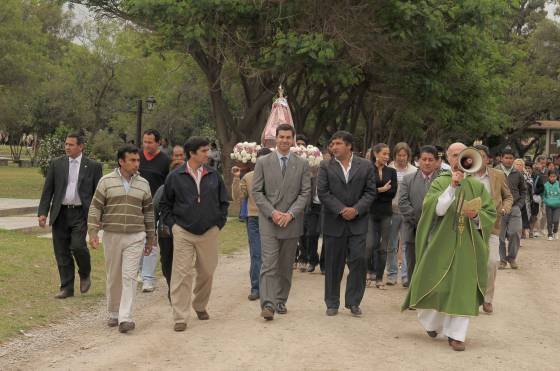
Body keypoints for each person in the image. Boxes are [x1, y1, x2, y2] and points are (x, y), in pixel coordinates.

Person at [402, 142, 496, 352]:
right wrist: (452, 187)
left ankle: (457, 336)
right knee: (435, 282)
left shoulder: (478, 186)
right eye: (454, 155)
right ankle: (432, 324)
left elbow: (490, 214)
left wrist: (477, 216)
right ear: (447, 158)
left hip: (468, 245)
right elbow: (437, 209)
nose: (458, 159)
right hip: (441, 241)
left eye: (462, 155)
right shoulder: (440, 182)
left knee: (462, 288)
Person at [160, 137, 229, 332]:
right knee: (181, 274)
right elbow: (165, 204)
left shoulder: (214, 175)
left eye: (208, 150)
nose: (208, 154)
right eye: (204, 151)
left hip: (209, 232)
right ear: (192, 153)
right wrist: (173, 225)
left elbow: (224, 202)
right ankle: (180, 317)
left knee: (207, 271)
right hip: (182, 231)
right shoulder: (175, 176)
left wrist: (218, 224)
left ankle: (199, 305)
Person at [88, 145, 155, 333]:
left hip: (136, 236)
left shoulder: (143, 183)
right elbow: (95, 208)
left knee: (129, 276)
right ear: (121, 162)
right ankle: (113, 312)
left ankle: (126, 317)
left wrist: (151, 238)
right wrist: (93, 232)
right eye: (132, 160)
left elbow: (149, 212)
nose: (136, 164)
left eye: (138, 160)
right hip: (112, 235)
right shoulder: (106, 182)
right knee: (114, 275)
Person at [251, 123, 311, 321]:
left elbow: (305, 192)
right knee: (269, 263)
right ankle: (267, 304)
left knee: (285, 265)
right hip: (269, 220)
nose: (284, 141)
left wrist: (291, 214)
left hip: (291, 221)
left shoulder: (302, 164)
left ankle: (280, 300)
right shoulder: (263, 162)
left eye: (288, 137)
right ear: (275, 139)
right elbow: (257, 191)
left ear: (293, 140)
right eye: (281, 137)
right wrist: (273, 212)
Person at [317, 131, 376, 316]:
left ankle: (353, 302)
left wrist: (356, 209)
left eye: (338, 143)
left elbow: (370, 192)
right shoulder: (325, 166)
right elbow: (323, 192)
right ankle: (332, 303)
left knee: (359, 260)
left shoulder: (366, 166)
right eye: (332, 143)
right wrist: (342, 210)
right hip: (334, 222)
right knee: (334, 263)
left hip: (358, 222)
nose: (334, 147)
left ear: (349, 146)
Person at [38, 133, 103, 299]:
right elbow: (48, 190)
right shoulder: (56, 164)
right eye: (66, 144)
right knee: (61, 252)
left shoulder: (94, 166)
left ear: (81, 146)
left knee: (78, 246)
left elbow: (99, 194)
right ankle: (67, 288)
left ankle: (85, 273)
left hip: (81, 213)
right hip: (60, 212)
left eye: (71, 144)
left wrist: (99, 217)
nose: (67, 147)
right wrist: (43, 213)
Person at [473, 145, 513, 314]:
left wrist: (504, 209)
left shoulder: (498, 175)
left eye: (483, 156)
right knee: (471, 263)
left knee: (491, 262)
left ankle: (487, 299)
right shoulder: (465, 175)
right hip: (469, 226)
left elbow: (508, 196)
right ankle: (471, 297)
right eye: (477, 156)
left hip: (492, 226)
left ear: (488, 159)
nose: (480, 159)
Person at [232, 147, 272, 301]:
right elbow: (238, 197)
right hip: (254, 219)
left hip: (272, 218)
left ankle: (271, 287)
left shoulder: (278, 176)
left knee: (272, 254)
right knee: (256, 254)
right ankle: (256, 288)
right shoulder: (248, 177)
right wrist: (236, 178)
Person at [399, 145, 439, 286]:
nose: (427, 163)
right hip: (412, 228)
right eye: (424, 159)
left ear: (437, 162)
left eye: (430, 159)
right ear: (418, 161)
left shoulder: (443, 180)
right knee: (412, 262)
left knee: (433, 262)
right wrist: (420, 221)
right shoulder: (408, 179)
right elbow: (403, 203)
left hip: (436, 229)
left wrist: (431, 222)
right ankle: (413, 293)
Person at [139, 129, 171, 292]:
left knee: (151, 240)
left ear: (159, 142)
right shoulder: (137, 157)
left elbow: (168, 185)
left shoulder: (165, 160)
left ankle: (148, 279)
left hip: (155, 206)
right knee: (136, 240)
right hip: (136, 204)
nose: (147, 145)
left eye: (150, 142)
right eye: (145, 141)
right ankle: (140, 272)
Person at [153, 155, 186, 301]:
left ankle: (179, 289)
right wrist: (151, 231)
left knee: (182, 262)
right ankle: (171, 285)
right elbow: (153, 210)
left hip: (185, 232)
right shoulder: (162, 189)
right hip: (166, 232)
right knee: (167, 260)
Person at [366, 143, 397, 289]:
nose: (387, 157)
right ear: (376, 153)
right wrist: (381, 189)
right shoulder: (367, 169)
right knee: (370, 244)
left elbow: (392, 192)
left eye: (388, 154)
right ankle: (367, 273)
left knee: (383, 247)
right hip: (370, 212)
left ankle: (379, 278)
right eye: (384, 153)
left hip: (386, 212)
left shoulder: (391, 171)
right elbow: (366, 191)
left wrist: (376, 192)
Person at [387, 142, 417, 286]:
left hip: (407, 213)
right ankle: (392, 274)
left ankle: (406, 276)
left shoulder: (413, 171)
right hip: (391, 211)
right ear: (395, 155)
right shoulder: (389, 168)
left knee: (406, 245)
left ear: (408, 156)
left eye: (404, 155)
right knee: (391, 244)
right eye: (399, 155)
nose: (401, 158)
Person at [496, 148, 527, 269]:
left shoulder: (518, 173)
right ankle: (502, 260)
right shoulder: (494, 171)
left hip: (514, 208)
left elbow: (523, 191)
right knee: (500, 235)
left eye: (511, 158)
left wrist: (519, 205)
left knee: (515, 232)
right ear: (501, 158)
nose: (508, 160)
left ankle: (512, 258)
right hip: (499, 208)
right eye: (506, 158)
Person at [513, 158, 533, 239]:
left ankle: (523, 231)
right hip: (515, 198)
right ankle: (519, 234)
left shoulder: (526, 173)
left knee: (525, 216)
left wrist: (525, 184)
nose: (518, 166)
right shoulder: (512, 173)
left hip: (525, 198)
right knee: (517, 216)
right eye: (517, 164)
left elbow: (531, 183)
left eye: (520, 164)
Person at [543, 171, 560, 240]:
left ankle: (555, 231)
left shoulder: (558, 184)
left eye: (554, 177)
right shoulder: (545, 185)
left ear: (556, 177)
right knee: (549, 220)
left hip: (557, 205)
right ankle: (550, 235)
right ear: (548, 177)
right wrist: (546, 201)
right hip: (549, 205)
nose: (552, 178)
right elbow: (543, 195)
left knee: (556, 220)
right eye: (551, 177)